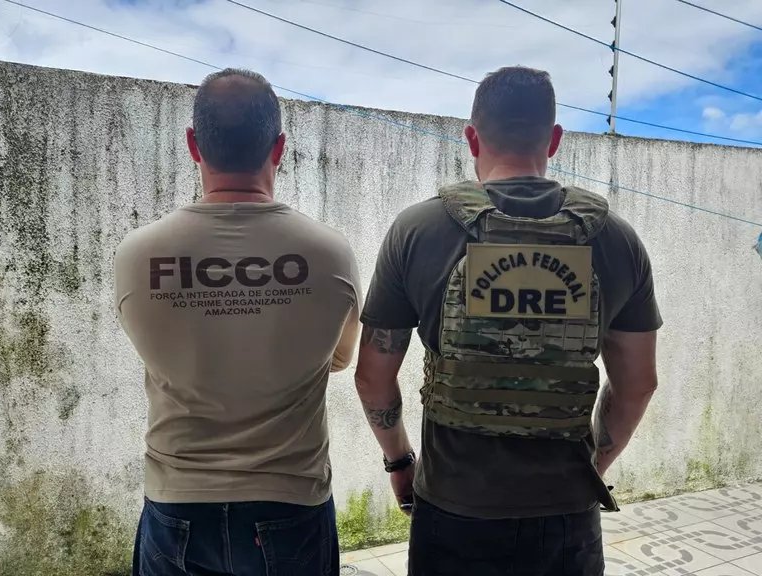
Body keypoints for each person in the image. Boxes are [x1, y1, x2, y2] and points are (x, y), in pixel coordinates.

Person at [355, 66, 661, 576]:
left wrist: (401, 462)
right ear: (555, 139)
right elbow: (638, 385)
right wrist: (593, 467)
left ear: (472, 138)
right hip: (566, 515)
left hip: (452, 510)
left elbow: (372, 377)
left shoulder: (418, 229)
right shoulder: (616, 238)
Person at [114, 68, 361, 576]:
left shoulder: (138, 255)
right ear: (279, 147)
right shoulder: (330, 253)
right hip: (291, 500)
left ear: (193, 145)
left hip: (178, 500)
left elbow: (162, 350)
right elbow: (338, 359)